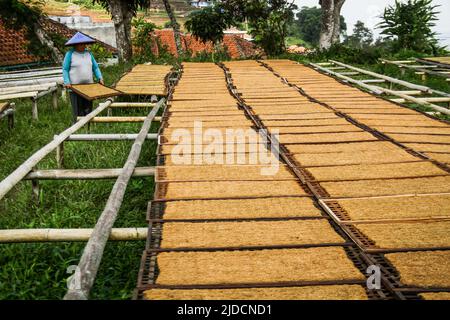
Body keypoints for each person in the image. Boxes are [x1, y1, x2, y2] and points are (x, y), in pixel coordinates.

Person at [62, 32, 104, 123]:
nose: (83, 45)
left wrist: (100, 77)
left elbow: (95, 67)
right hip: (75, 88)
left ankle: (88, 125)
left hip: (89, 87)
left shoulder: (89, 54)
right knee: (78, 111)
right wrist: (67, 82)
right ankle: (76, 127)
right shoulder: (70, 54)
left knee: (88, 109)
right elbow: (65, 69)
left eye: (84, 43)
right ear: (75, 45)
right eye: (81, 44)